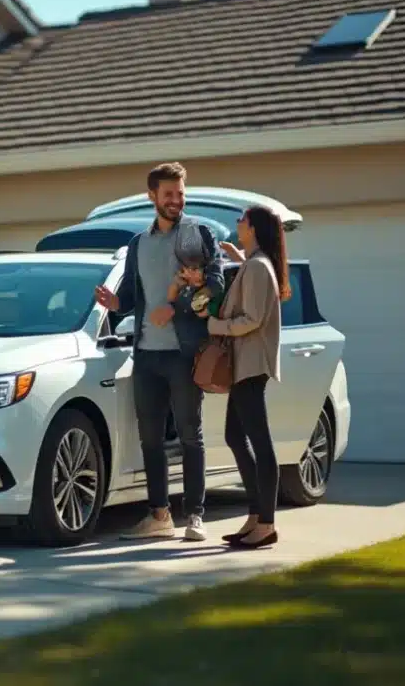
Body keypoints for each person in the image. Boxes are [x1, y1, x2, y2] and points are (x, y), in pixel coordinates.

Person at [95, 162, 225, 541]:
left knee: (189, 436)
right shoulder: (139, 244)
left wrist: (179, 306)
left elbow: (215, 284)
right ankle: (160, 515)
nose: (176, 201)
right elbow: (137, 299)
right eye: (168, 194)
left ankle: (195, 517)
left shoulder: (197, 235)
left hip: (184, 354)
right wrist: (116, 302)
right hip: (146, 355)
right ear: (152, 196)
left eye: (181, 193)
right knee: (150, 438)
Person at [205, 205, 289, 550]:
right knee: (234, 436)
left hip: (251, 365)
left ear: (253, 228)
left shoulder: (256, 267)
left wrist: (215, 326)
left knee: (260, 443)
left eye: (241, 220)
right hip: (246, 364)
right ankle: (256, 516)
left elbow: (252, 318)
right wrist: (240, 257)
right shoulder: (255, 262)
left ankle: (266, 522)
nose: (237, 223)